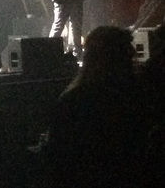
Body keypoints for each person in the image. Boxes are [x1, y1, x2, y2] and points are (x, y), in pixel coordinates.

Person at [43, 26, 148, 188]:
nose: (133, 56)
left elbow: (58, 156)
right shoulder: (138, 95)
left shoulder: (74, 99)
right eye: (129, 54)